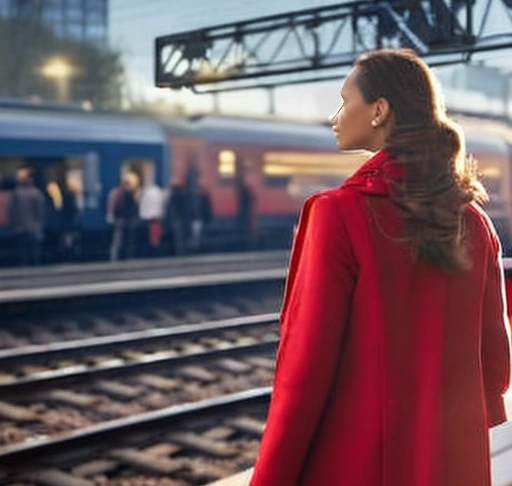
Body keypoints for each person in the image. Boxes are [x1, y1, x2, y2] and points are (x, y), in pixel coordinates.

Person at [248, 48, 511, 486]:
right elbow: (496, 369)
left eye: (345, 100)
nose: (335, 115)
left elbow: (304, 373)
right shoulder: (475, 223)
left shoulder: (337, 214)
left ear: (379, 109)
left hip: (357, 466)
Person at [8, 168, 45, 266]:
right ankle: (36, 266)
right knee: (34, 249)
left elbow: (12, 210)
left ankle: (24, 265)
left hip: (20, 227)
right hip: (32, 226)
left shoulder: (17, 193)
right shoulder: (36, 193)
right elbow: (40, 211)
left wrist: (14, 223)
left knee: (23, 250)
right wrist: (38, 223)